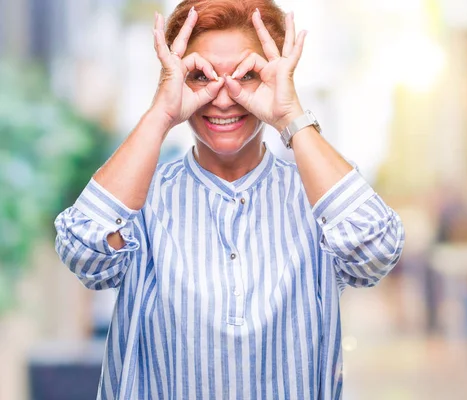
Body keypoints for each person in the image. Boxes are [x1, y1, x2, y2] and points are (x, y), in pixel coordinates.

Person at [54, 0, 405, 398]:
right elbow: (83, 251)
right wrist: (161, 114)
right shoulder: (141, 198)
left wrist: (291, 115)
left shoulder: (316, 195)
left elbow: (377, 251)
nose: (223, 98)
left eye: (248, 74)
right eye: (201, 76)